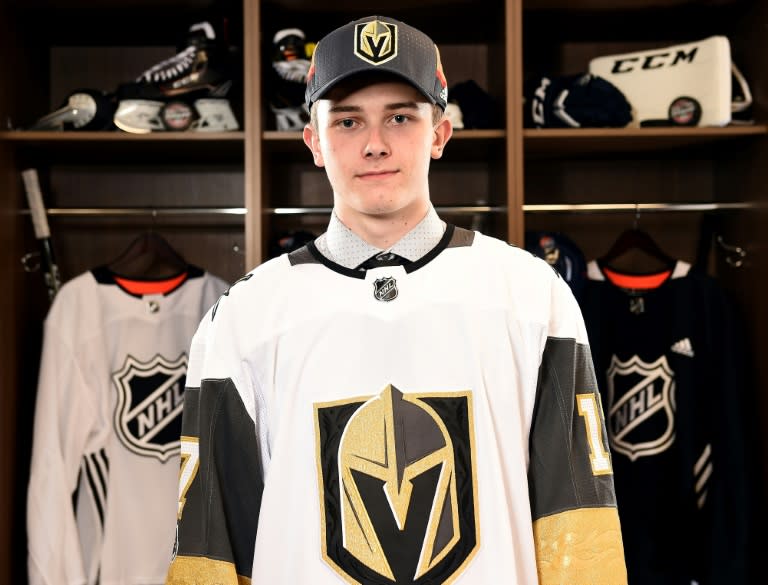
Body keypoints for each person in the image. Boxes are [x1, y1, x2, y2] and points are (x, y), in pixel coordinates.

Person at [165, 15, 628, 585]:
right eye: (348, 120)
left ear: (440, 133)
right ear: (314, 141)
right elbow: (211, 548)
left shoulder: (532, 297)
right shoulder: (244, 316)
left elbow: (580, 531)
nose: (376, 143)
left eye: (401, 117)